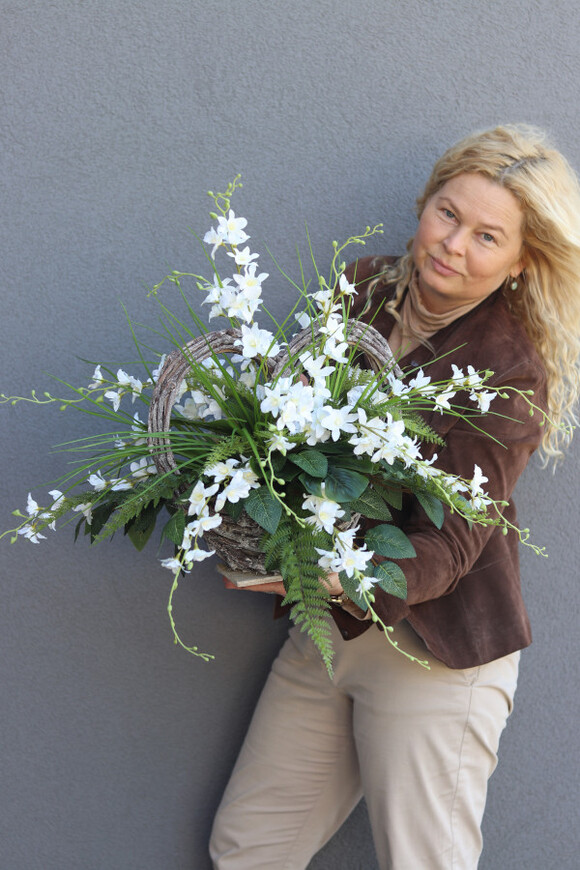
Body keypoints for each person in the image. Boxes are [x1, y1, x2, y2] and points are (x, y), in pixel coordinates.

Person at [209, 125, 580, 869]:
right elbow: (293, 435)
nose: (453, 244)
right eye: (448, 214)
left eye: (486, 236)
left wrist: (360, 578)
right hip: (330, 632)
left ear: (519, 263)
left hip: (436, 653)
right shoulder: (363, 287)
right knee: (248, 849)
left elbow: (457, 539)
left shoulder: (509, 368)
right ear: (425, 202)